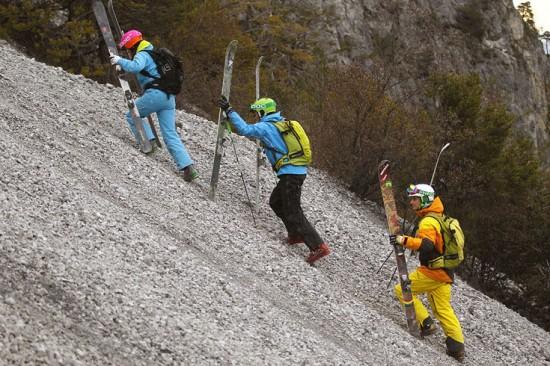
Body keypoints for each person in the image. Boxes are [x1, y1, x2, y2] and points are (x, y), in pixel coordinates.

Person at [217, 96, 330, 264]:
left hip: (290, 174)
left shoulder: (266, 127)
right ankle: (295, 234)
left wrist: (229, 110)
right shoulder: (283, 123)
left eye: (257, 112)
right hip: (295, 171)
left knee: (294, 210)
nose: (257, 116)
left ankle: (318, 246)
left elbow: (244, 130)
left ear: (263, 111)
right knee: (275, 202)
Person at [109, 29, 198, 182]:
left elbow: (136, 67)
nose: (128, 53)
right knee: (170, 134)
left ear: (131, 46)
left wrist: (118, 60)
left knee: (132, 115)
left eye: (127, 50)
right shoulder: (154, 53)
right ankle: (187, 167)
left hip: (156, 95)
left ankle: (148, 142)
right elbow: (143, 71)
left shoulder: (142, 54)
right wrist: (126, 66)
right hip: (169, 97)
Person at [391, 184, 465, 362]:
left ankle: (426, 323)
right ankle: (456, 347)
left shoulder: (428, 221)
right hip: (445, 273)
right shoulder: (439, 217)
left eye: (415, 198)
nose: (411, 202)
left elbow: (426, 245)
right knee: (443, 309)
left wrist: (403, 240)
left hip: (432, 272)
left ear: (424, 199)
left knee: (402, 290)